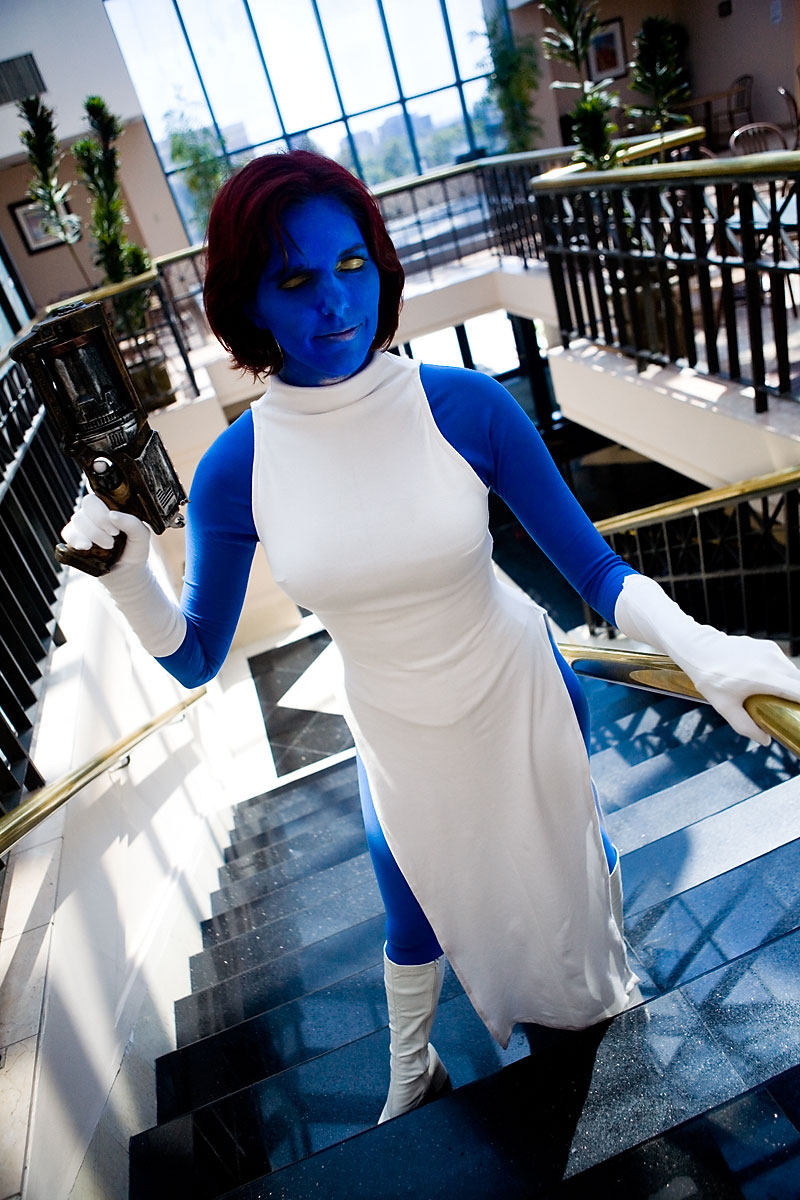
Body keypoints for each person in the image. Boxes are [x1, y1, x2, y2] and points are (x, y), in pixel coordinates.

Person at [62, 151, 800, 1124]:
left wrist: (703, 652)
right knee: (418, 900)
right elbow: (195, 655)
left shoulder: (465, 406)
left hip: (517, 689)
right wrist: (128, 581)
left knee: (566, 875)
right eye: (294, 280)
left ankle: (594, 992)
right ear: (249, 304)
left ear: (379, 263)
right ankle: (412, 1066)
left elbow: (595, 572)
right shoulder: (235, 469)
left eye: (352, 264)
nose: (336, 301)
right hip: (393, 724)